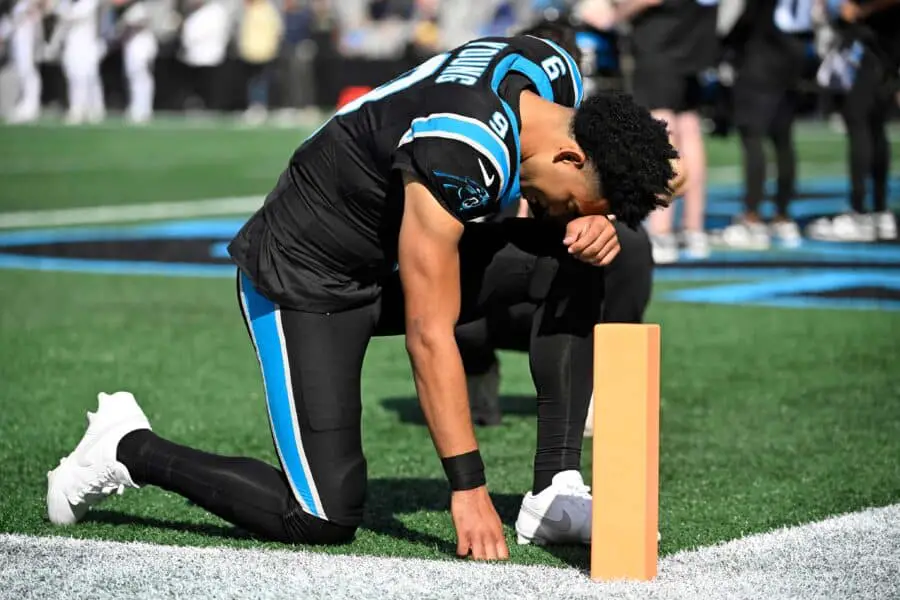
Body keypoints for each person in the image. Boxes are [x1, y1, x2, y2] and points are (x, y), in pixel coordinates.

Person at [46, 34, 678, 560]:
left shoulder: (553, 74)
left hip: (385, 258)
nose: (554, 211)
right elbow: (429, 334)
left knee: (591, 254)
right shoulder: (462, 146)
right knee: (322, 514)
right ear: (570, 155)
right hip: (307, 276)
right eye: (566, 199)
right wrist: (467, 487)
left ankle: (555, 491)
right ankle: (126, 446)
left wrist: (596, 220)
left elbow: (660, 169)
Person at [457, 19, 655, 430]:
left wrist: (602, 212)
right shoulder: (479, 130)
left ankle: (607, 383)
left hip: (569, 299)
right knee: (453, 267)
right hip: (495, 302)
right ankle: (477, 375)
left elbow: (671, 169)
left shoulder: (590, 136)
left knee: (630, 244)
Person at [617, 0, 719, 263]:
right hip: (693, 42)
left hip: (662, 43)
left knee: (662, 131)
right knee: (689, 128)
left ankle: (662, 231)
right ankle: (693, 228)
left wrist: (618, 12)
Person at [719, 0, 814, 250]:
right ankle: (783, 215)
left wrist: (726, 44)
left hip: (761, 60)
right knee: (783, 140)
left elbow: (749, 18)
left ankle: (752, 216)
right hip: (793, 61)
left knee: (754, 139)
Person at [807, 0, 899, 242]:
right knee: (875, 127)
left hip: (873, 47)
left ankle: (860, 212)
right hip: (884, 48)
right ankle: (879, 209)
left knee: (860, 123)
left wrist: (862, 10)